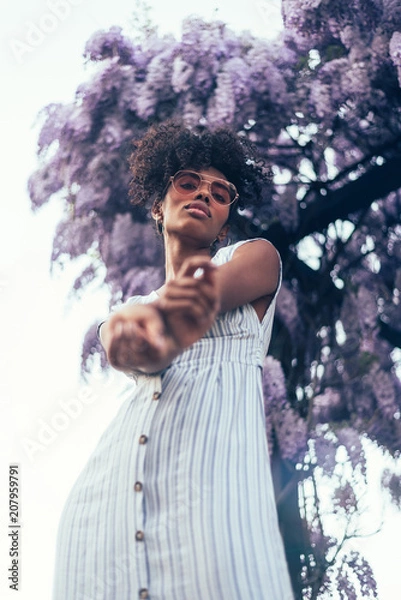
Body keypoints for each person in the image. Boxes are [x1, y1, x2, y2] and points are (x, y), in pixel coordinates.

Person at [52, 122, 294, 600]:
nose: (204, 192)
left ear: (224, 223)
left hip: (211, 503)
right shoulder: (125, 312)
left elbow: (196, 304)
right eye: (188, 182)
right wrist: (134, 338)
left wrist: (158, 335)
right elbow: (125, 343)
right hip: (104, 516)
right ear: (158, 206)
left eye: (220, 191)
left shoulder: (254, 259)